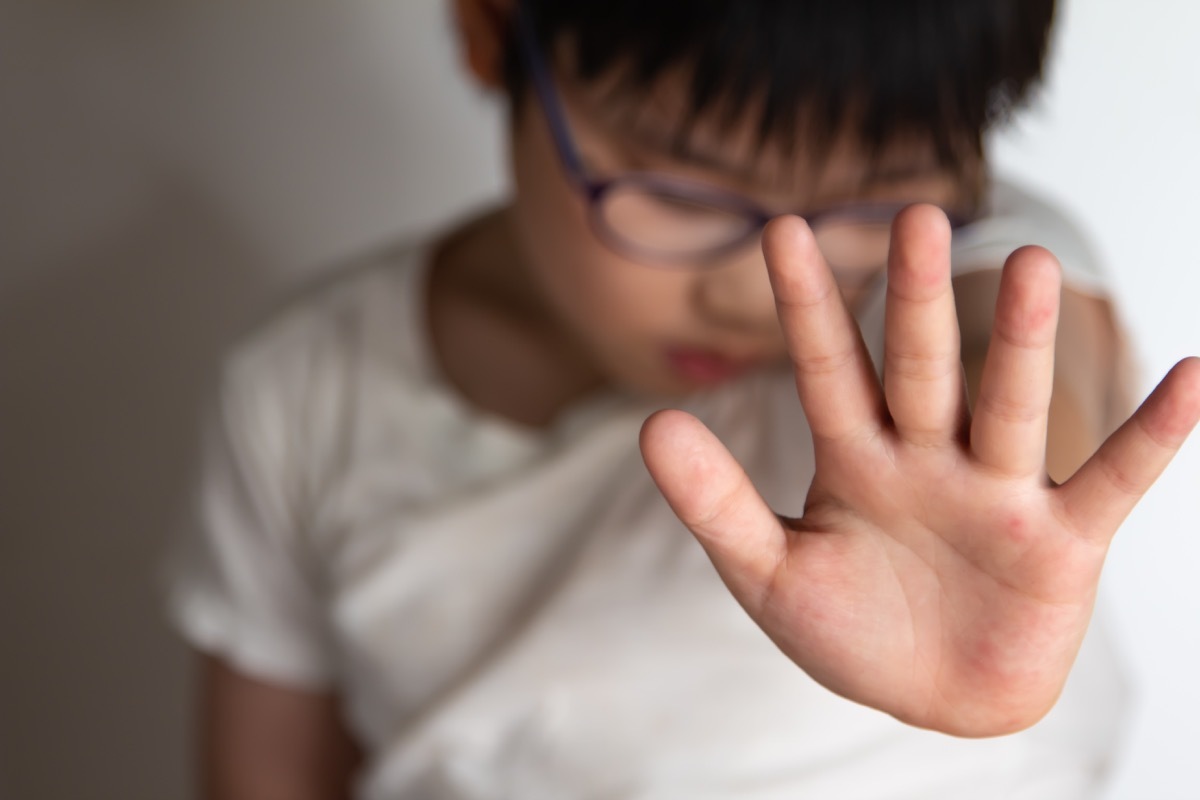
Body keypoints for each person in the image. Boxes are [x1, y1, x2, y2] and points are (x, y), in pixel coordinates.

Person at [164, 0, 1200, 797]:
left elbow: (1029, 362)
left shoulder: (960, 258)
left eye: (867, 196)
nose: (753, 287)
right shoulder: (302, 390)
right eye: (678, 188)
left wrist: (1000, 481)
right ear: (490, 29)